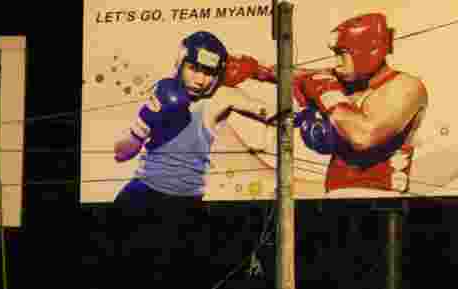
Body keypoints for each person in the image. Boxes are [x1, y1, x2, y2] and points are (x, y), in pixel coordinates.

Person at [113, 31, 274, 213]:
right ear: (180, 64)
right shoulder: (161, 90)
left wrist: (302, 118)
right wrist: (143, 124)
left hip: (187, 202)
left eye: (208, 72)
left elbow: (272, 113)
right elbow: (121, 154)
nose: (200, 80)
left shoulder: (222, 96)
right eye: (194, 68)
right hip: (141, 194)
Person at [293, 12, 428, 197]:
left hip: (382, 201)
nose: (337, 63)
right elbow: (297, 75)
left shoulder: (405, 86)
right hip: (334, 198)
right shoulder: (344, 82)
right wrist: (256, 70)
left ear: (366, 51)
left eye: (342, 54)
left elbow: (363, 136)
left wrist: (329, 95)